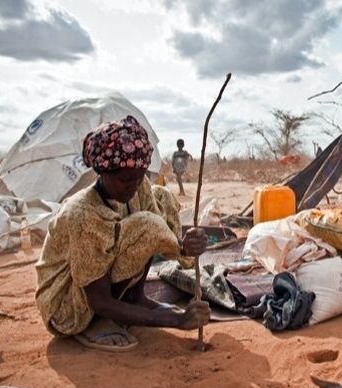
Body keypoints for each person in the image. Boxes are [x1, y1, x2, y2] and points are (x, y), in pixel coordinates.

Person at [35, 116, 211, 352]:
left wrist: (184, 246)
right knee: (146, 226)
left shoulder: (137, 186)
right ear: (101, 171)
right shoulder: (83, 214)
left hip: (103, 290)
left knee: (161, 197)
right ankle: (95, 322)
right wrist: (176, 320)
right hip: (67, 304)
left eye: (140, 177)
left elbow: (161, 236)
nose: (134, 186)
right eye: (125, 180)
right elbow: (99, 300)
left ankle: (135, 299)